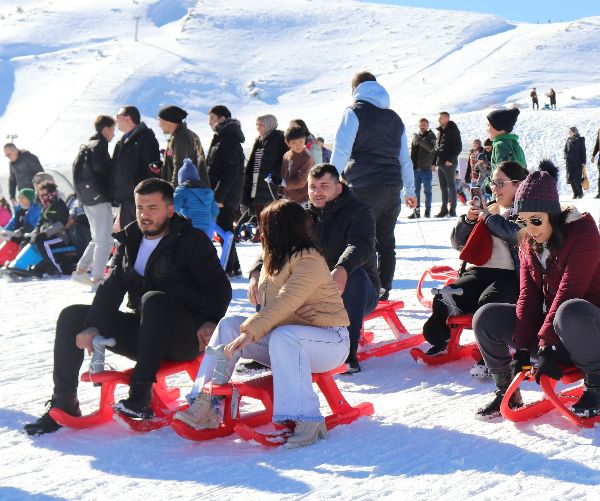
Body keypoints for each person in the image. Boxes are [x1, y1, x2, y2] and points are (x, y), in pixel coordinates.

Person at [23, 178, 231, 434]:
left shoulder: (191, 240)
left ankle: (140, 396)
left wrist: (210, 320)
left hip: (185, 337)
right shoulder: (130, 239)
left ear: (170, 209)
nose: (144, 214)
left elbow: (220, 287)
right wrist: (92, 326)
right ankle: (64, 402)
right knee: (72, 316)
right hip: (146, 337)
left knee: (153, 299)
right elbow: (111, 289)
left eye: (152, 207)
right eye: (140, 207)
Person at [174, 199, 350, 448]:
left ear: (280, 230)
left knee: (281, 335)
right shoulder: (273, 260)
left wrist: (253, 332)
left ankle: (308, 418)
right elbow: (280, 310)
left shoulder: (309, 260)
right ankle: (207, 400)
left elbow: (286, 301)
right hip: (287, 340)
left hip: (329, 341)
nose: (260, 233)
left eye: (264, 227)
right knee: (229, 325)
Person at [472, 169, 600, 419]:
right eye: (522, 222)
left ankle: (598, 387)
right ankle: (507, 392)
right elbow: (528, 297)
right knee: (486, 317)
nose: (530, 229)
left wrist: (544, 346)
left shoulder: (583, 234)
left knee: (570, 309)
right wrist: (523, 348)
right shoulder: (528, 243)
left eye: (535, 220)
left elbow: (569, 291)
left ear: (553, 215)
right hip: (558, 335)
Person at [250, 164, 379, 375]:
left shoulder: (359, 211)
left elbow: (360, 245)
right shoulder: (301, 214)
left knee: (355, 276)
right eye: (312, 187)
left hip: (358, 292)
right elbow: (275, 245)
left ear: (338, 188)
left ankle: (348, 355)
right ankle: (265, 348)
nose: (317, 192)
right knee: (274, 274)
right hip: (312, 290)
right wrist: (256, 272)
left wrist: (342, 268)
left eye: (324, 186)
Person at [421, 160, 525, 358]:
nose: (494, 188)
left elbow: (517, 234)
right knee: (445, 295)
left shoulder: (527, 212)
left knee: (490, 303)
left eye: (500, 183)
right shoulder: (491, 209)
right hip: (480, 271)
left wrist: (487, 218)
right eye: (493, 183)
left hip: (511, 276)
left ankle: (494, 354)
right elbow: (458, 243)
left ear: (518, 185)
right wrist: (469, 220)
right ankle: (441, 339)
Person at [331, 71, 417, 300]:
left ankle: (368, 291)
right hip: (391, 187)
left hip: (364, 186)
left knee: (361, 240)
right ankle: (384, 289)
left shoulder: (354, 112)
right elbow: (405, 159)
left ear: (355, 90)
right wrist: (411, 190)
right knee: (386, 241)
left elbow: (341, 150)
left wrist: (329, 179)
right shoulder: (394, 118)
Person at [71, 115, 116, 286]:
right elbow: (101, 169)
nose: (113, 134)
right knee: (105, 239)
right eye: (112, 130)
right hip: (99, 197)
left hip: (87, 198)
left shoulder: (87, 145)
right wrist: (110, 190)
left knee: (97, 237)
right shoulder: (99, 145)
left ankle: (81, 270)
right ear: (105, 128)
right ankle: (98, 278)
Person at [206, 105, 245, 277]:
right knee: (223, 230)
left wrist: (219, 196)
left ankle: (230, 266)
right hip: (222, 193)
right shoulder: (222, 137)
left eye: (212, 118)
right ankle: (232, 266)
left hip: (226, 195)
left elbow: (231, 170)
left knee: (224, 230)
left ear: (222, 118)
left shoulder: (228, 138)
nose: (209, 122)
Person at [111, 106, 160, 228]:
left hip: (141, 198)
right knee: (128, 236)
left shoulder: (145, 138)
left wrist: (147, 194)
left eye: (118, 117)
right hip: (126, 199)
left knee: (143, 234)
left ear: (128, 118)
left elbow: (152, 169)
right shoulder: (123, 141)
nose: (116, 120)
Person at [243, 114, 287, 225]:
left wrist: (274, 175)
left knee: (270, 215)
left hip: (269, 183)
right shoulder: (259, 140)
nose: (258, 127)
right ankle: (262, 235)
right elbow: (253, 162)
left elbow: (283, 160)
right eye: (257, 125)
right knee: (259, 214)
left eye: (260, 124)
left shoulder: (279, 139)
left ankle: (269, 238)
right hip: (256, 183)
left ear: (269, 125)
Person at [157, 105, 209, 188]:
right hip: (194, 188)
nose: (159, 125)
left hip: (186, 190)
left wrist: (173, 191)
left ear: (169, 121)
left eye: (160, 121)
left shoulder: (180, 138)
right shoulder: (188, 134)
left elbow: (179, 167)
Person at [485, 107, 526, 198]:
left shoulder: (501, 145)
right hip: (516, 193)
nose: (486, 129)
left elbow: (504, 172)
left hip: (505, 195)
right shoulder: (513, 143)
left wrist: (488, 184)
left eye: (488, 125)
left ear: (499, 128)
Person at [173, 158, 218, 239]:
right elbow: (215, 211)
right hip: (206, 231)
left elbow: (172, 208)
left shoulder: (182, 190)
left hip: (188, 229)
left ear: (181, 179)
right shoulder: (208, 192)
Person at [433, 112, 462, 217]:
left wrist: (450, 159)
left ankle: (452, 210)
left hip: (449, 163)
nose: (439, 120)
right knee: (443, 188)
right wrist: (433, 162)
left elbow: (458, 147)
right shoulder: (440, 132)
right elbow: (437, 149)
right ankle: (444, 210)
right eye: (439, 118)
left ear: (447, 118)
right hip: (440, 163)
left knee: (451, 186)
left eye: (441, 118)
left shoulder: (453, 130)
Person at [280, 123, 316, 204]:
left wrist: (281, 182)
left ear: (305, 139)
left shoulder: (307, 157)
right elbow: (283, 174)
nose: (298, 145)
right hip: (289, 198)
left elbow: (301, 182)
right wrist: (281, 190)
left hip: (305, 198)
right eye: (294, 142)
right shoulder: (286, 155)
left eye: (301, 141)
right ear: (287, 142)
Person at [409, 118, 437, 219]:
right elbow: (412, 152)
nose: (422, 126)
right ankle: (416, 212)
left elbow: (430, 148)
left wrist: (419, 140)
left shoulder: (431, 135)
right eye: (421, 124)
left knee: (428, 191)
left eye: (424, 124)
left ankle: (427, 212)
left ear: (428, 125)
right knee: (415, 191)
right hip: (416, 169)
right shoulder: (416, 137)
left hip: (426, 169)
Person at [564, 127, 587, 199]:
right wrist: (566, 156)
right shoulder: (568, 140)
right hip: (569, 163)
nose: (569, 133)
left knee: (576, 178)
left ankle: (580, 193)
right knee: (570, 178)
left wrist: (583, 162)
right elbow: (565, 150)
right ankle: (575, 193)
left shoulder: (580, 140)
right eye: (568, 132)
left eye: (570, 132)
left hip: (577, 162)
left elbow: (583, 151)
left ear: (574, 132)